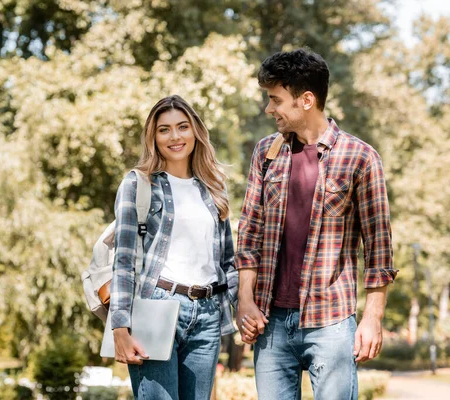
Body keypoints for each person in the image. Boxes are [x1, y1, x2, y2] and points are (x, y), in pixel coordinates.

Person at [235, 49, 397, 400]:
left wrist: (372, 319)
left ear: (306, 100)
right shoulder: (265, 153)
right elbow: (248, 233)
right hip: (271, 323)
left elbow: (379, 252)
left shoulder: (360, 158)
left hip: (332, 322)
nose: (268, 109)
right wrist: (244, 300)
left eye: (275, 100)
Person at [110, 95, 238, 400]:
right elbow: (124, 260)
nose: (175, 136)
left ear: (195, 132)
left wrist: (245, 306)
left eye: (182, 127)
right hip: (156, 306)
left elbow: (228, 261)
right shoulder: (139, 183)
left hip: (207, 314)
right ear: (153, 137)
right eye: (164, 129)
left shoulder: (213, 188)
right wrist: (120, 327)